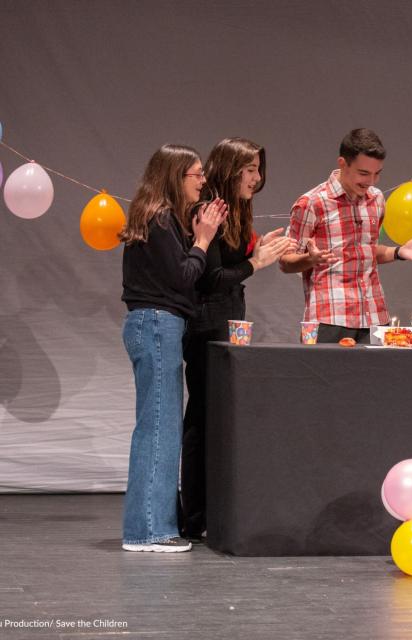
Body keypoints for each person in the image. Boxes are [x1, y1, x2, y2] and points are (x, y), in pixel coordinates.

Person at [179, 138, 296, 542]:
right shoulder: (207, 208)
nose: (257, 177)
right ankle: (193, 517)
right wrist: (255, 262)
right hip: (205, 326)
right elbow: (209, 279)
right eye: (249, 169)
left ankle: (215, 511)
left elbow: (232, 266)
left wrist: (258, 250)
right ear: (230, 169)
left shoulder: (236, 209)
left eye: (258, 169)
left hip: (229, 321)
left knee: (220, 419)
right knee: (201, 419)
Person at [119, 144, 228, 552]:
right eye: (196, 174)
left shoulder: (160, 218)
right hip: (157, 324)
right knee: (160, 431)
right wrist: (202, 240)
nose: (202, 180)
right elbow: (184, 277)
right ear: (174, 176)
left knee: (157, 428)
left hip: (155, 325)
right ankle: (149, 531)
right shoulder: (160, 218)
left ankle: (149, 527)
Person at [280, 128, 412, 343]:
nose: (371, 181)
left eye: (377, 173)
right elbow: (285, 262)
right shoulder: (312, 203)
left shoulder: (376, 199)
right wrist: (309, 259)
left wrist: (398, 252)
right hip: (330, 318)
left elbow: (365, 251)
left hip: (374, 316)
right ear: (343, 164)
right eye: (364, 173)